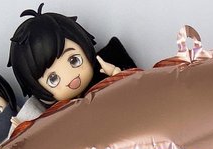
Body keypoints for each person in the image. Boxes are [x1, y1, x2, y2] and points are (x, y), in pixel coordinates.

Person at [8, 4, 136, 108]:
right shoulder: (57, 114)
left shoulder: (104, 72)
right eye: (53, 79)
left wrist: (115, 74)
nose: (69, 76)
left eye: (74, 60)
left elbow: (132, 91)